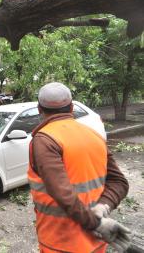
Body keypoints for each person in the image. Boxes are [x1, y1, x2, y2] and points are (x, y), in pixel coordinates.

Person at [29, 82, 130, 253]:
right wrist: (104, 206)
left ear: (39, 109)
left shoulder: (44, 140)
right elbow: (119, 182)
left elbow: (62, 193)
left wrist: (97, 223)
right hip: (96, 242)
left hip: (60, 242)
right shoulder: (93, 135)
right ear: (72, 107)